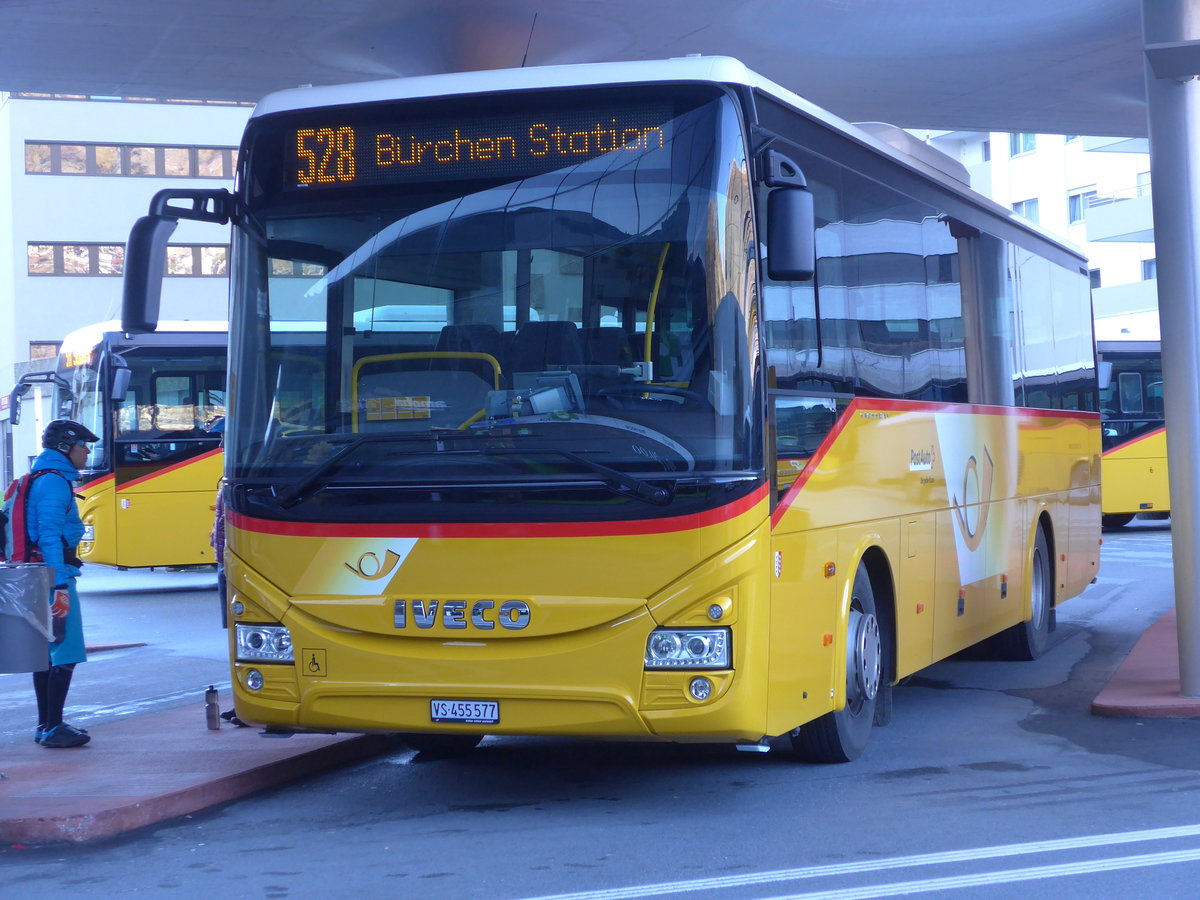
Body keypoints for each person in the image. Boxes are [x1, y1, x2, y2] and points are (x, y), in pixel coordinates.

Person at [29, 419, 98, 748]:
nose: (87, 451)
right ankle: (53, 725)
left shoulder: (42, 477)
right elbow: (50, 537)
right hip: (54, 578)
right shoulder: (54, 483)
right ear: (64, 447)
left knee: (46, 652)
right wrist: (58, 587)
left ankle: (46, 724)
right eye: (83, 445)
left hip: (40, 576)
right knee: (66, 649)